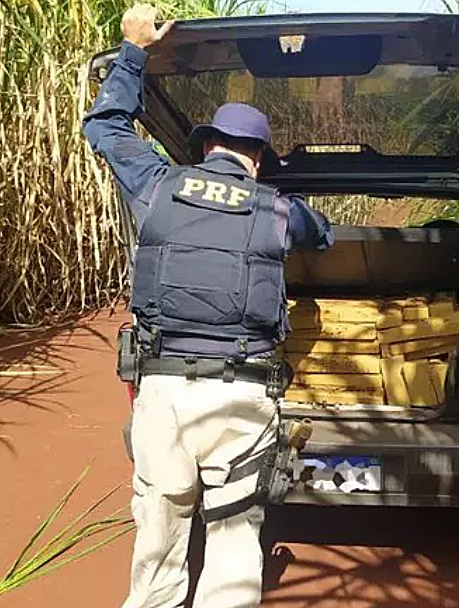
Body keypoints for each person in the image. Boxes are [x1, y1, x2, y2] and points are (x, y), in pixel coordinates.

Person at [81, 4, 334, 608]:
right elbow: (320, 233)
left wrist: (134, 49)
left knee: (160, 532)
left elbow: (106, 127)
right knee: (233, 539)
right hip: (240, 398)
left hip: (164, 395)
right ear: (258, 158)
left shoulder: (157, 182)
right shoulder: (276, 208)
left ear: (209, 145)